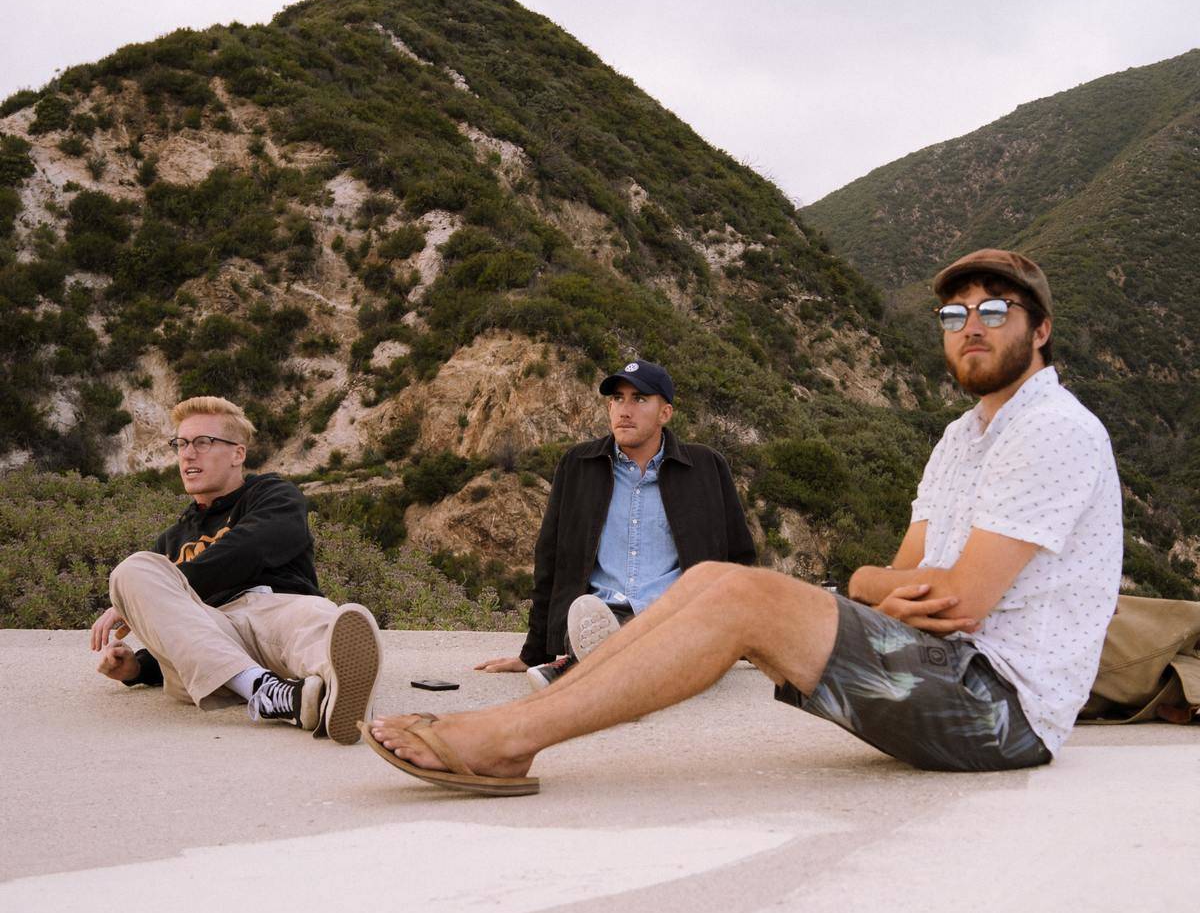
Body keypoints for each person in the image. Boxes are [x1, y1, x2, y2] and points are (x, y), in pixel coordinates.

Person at [364, 250, 1122, 793]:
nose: (971, 326)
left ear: (1041, 329)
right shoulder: (963, 437)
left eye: (996, 309)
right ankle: (520, 727)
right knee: (710, 578)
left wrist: (894, 587)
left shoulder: (1053, 427)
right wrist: (880, 584)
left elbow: (953, 603)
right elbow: (894, 577)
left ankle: (503, 741)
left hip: (998, 713)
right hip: (937, 672)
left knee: (742, 595)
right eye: (955, 314)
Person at [91, 395, 382, 744]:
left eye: (203, 442)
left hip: (277, 609)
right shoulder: (170, 541)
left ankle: (337, 689)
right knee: (132, 571)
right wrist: (138, 668)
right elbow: (183, 632)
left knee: (320, 620)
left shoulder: (273, 495)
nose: (187, 454)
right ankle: (271, 691)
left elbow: (248, 548)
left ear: (237, 454)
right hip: (214, 627)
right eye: (181, 444)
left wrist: (167, 589)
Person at [474, 359, 756, 687]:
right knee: (593, 623)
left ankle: (587, 666)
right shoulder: (578, 465)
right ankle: (608, 661)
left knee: (670, 631)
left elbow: (740, 559)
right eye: (617, 399)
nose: (625, 409)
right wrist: (533, 653)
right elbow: (550, 559)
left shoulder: (705, 467)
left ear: (665, 413)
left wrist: (751, 642)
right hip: (596, 615)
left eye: (639, 399)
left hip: (674, 614)